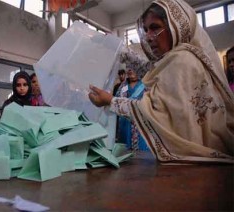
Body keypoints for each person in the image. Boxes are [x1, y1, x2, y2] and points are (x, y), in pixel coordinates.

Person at [89, 0, 234, 163]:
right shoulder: (176, 59)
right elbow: (152, 72)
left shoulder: (182, 60)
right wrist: (119, 49)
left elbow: (155, 112)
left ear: (176, 27)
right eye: (145, 30)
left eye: (155, 27)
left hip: (196, 165)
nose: (149, 37)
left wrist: (110, 101)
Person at [116, 68, 148, 151]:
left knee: (142, 156)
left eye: (133, 67)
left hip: (140, 124)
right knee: (124, 153)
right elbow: (116, 102)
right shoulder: (123, 86)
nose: (130, 70)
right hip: (124, 125)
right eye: (128, 67)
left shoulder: (146, 85)